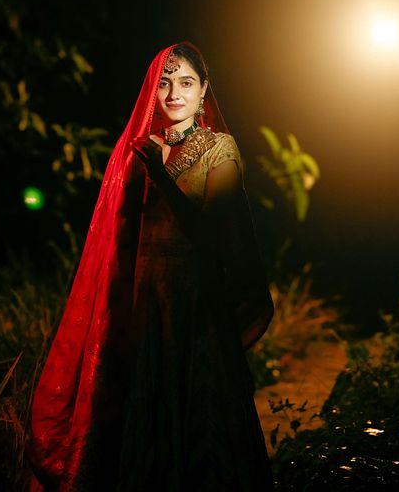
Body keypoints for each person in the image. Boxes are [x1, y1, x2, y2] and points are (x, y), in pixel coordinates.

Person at [29, 42, 274, 491]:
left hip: (195, 312)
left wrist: (161, 176)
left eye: (186, 82)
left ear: (204, 90)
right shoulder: (136, 152)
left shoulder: (220, 149)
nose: (174, 93)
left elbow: (213, 235)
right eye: (164, 83)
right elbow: (114, 243)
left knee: (202, 430)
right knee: (138, 429)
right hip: (141, 310)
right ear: (151, 91)